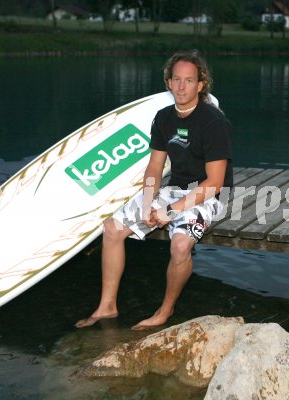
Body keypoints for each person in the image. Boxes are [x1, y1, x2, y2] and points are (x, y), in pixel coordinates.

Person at [75, 49, 233, 331]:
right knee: (111, 228)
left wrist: (170, 211)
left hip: (206, 194)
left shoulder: (214, 122)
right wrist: (149, 203)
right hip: (172, 189)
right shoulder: (163, 118)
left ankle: (165, 310)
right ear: (169, 83)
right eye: (176, 80)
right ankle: (107, 306)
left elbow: (215, 183)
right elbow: (155, 167)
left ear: (200, 85)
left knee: (180, 245)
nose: (182, 87)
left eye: (188, 81)